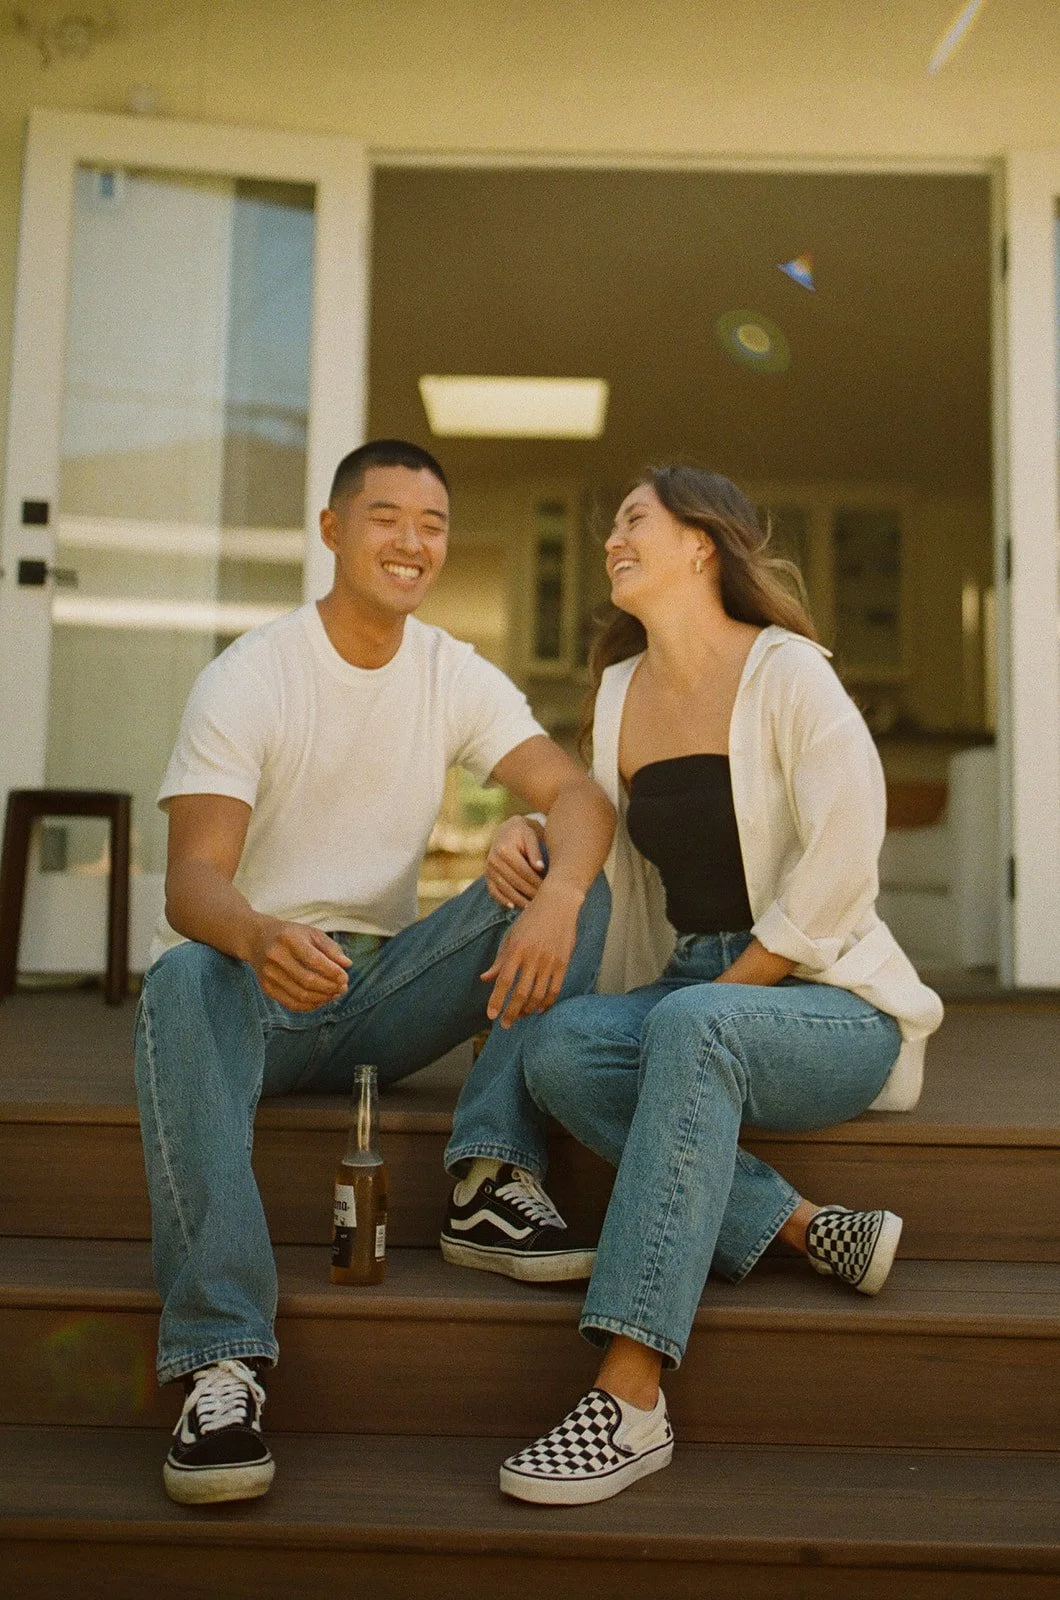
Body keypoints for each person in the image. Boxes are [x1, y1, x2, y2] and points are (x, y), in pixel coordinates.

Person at [134, 439, 615, 1506]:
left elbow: (579, 796)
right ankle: (221, 1363)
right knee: (177, 980)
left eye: (432, 523)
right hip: (246, 990)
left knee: (574, 878)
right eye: (387, 515)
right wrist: (260, 938)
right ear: (334, 530)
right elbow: (191, 884)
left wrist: (554, 877)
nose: (412, 541)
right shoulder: (251, 673)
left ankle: (489, 1176)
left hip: (379, 990)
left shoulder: (449, 670)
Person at [487, 466, 943, 1506]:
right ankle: (801, 1225)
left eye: (633, 519)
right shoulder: (616, 693)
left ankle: (630, 1391)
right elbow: (595, 834)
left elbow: (843, 848)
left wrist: (737, 986)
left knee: (695, 1022)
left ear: (701, 545)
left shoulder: (786, 671)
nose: (612, 536)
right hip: (693, 983)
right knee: (559, 1050)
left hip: (829, 996)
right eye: (610, 523)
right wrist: (528, 830)